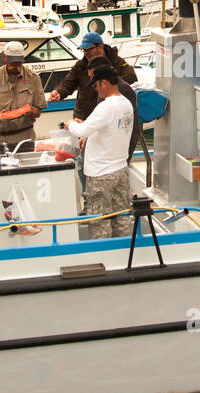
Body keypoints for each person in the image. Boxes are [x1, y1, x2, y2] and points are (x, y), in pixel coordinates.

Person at [68, 65, 135, 240]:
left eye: (95, 85)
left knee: (99, 221)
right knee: (122, 218)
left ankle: (105, 259)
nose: (95, 89)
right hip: (120, 170)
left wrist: (70, 124)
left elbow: (80, 131)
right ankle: (124, 252)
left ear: (104, 83)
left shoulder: (107, 106)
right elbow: (107, 128)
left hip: (101, 173)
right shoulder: (126, 104)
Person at [48, 31, 137, 121]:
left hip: (107, 115)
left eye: (89, 49)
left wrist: (110, 83)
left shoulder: (115, 61)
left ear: (100, 47)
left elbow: (131, 75)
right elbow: (68, 83)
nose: (86, 52)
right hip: (83, 116)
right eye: (84, 49)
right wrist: (58, 92)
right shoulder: (80, 65)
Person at [0, 41, 47, 153]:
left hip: (25, 139)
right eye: (12, 62)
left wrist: (30, 111)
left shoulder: (33, 78)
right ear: (4, 57)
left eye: (18, 62)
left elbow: (38, 111)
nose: (15, 65)